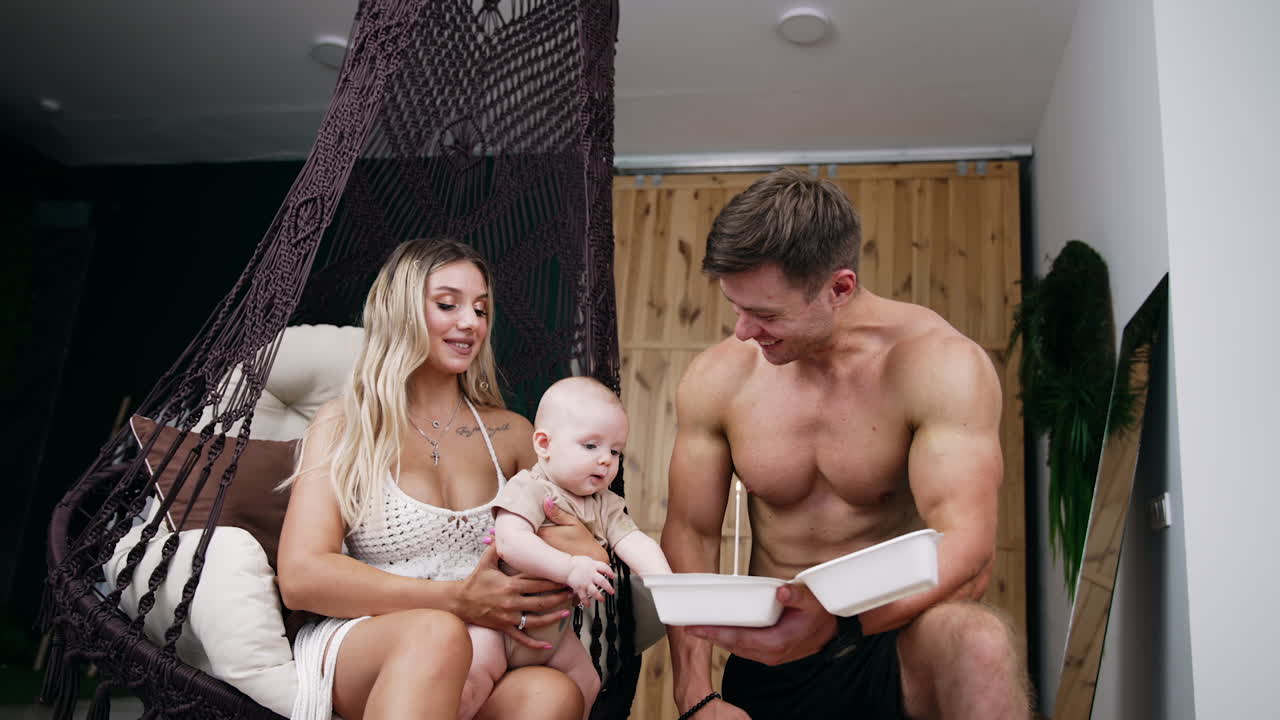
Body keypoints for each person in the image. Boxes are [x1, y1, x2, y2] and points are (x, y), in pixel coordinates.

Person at [660, 169, 1030, 719]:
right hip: (775, 650)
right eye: (735, 307)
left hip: (893, 638)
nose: (743, 331)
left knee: (981, 640)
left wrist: (839, 624)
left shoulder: (939, 364)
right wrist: (695, 694)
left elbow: (968, 545)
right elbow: (693, 532)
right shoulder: (721, 376)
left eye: (766, 314)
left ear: (839, 288)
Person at [277, 238, 609, 720]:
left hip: (487, 650)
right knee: (437, 632)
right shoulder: (346, 424)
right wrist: (456, 601)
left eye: (481, 309)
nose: (471, 322)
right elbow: (302, 576)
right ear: (402, 311)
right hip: (370, 638)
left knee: (550, 694)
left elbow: (581, 541)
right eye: (448, 304)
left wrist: (572, 547)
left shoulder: (512, 434)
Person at [456, 376, 672, 720]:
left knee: (587, 682)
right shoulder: (530, 487)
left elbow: (633, 541)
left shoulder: (605, 504)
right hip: (498, 628)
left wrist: (665, 581)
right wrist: (569, 568)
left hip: (554, 634)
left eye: (615, 451)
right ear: (544, 444)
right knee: (470, 685)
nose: (605, 460)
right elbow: (510, 542)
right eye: (591, 446)